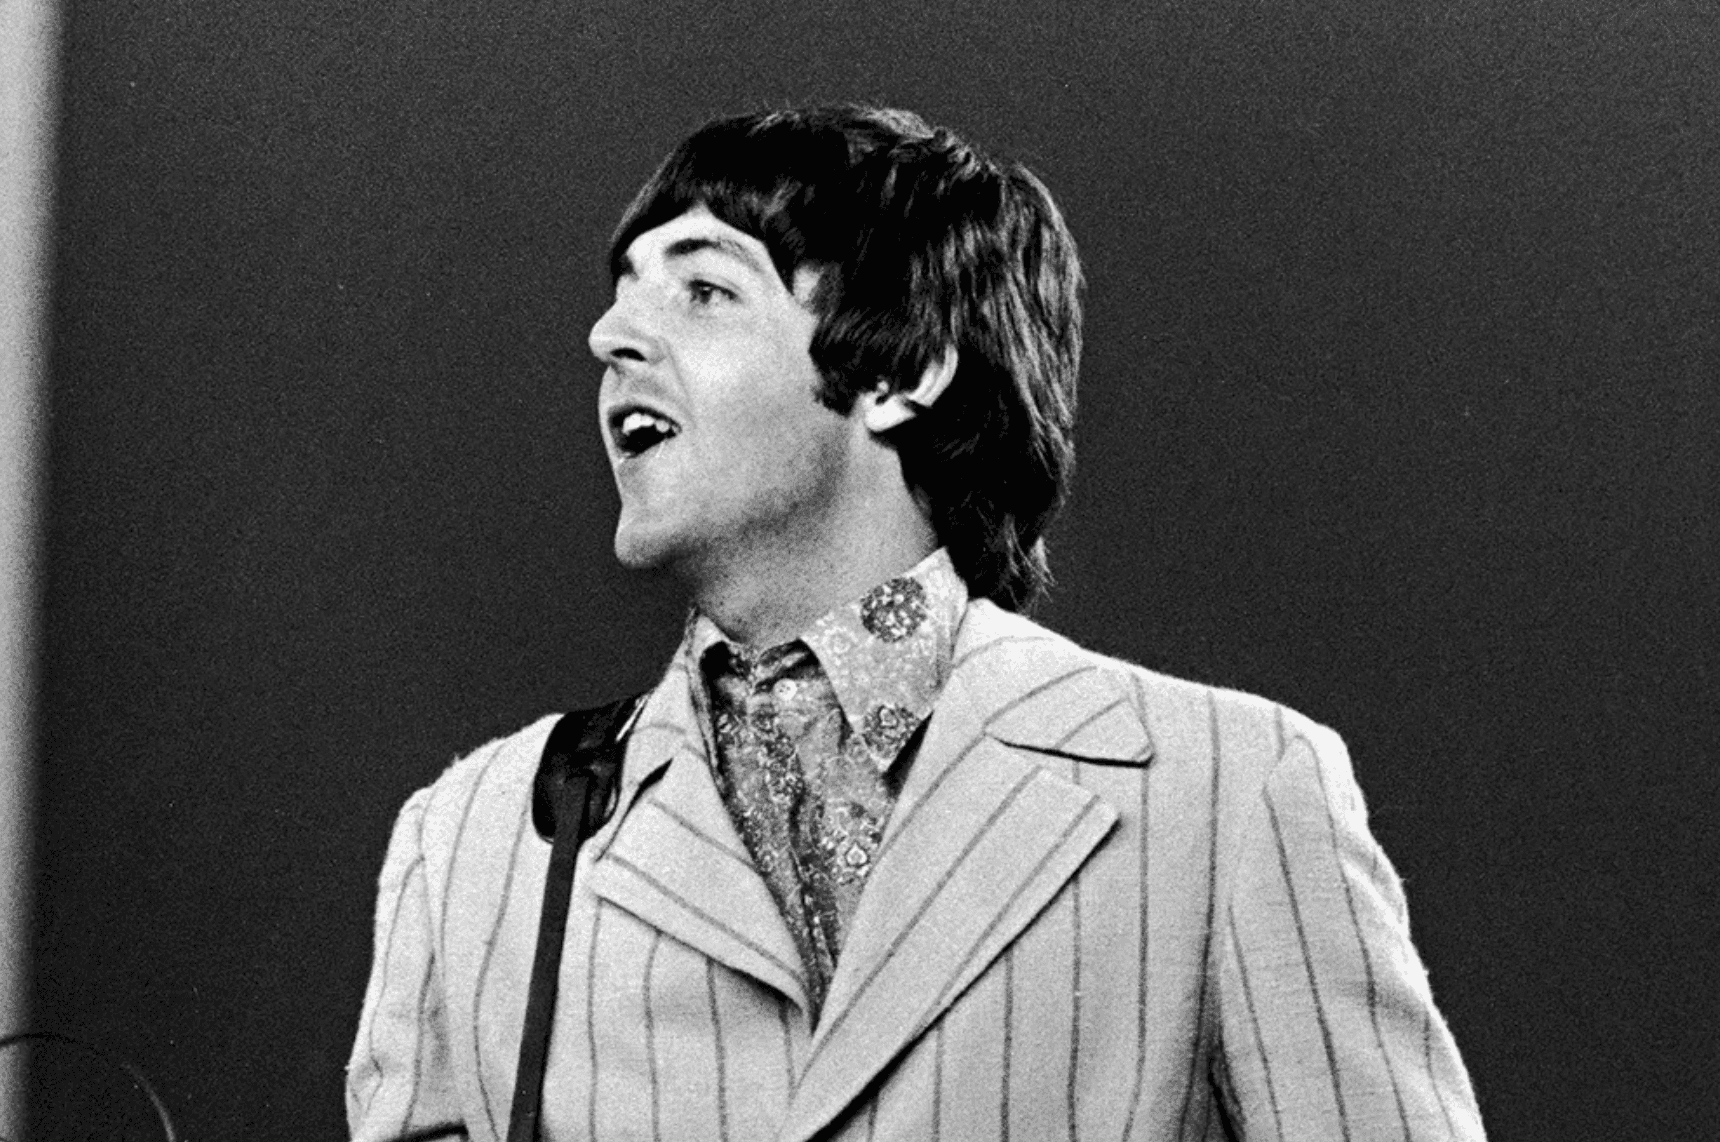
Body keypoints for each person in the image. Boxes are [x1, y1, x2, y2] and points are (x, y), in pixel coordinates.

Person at [346, 105, 1486, 1142]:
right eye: (622, 291)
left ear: (904, 369)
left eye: (703, 290)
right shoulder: (474, 841)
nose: (609, 336)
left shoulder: (1231, 791)